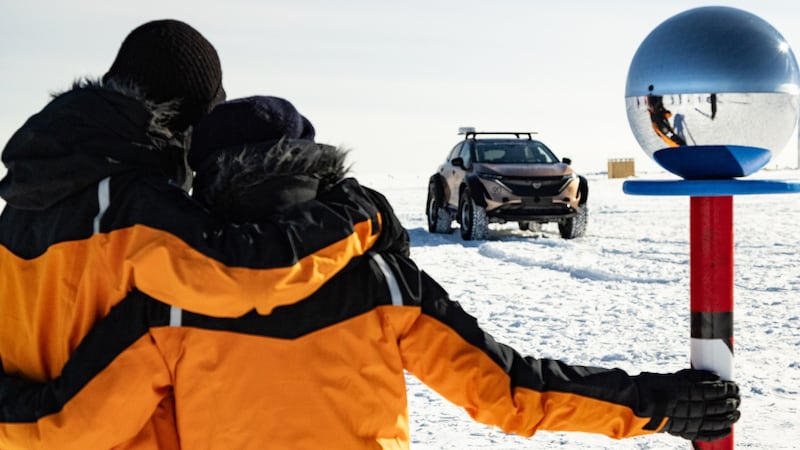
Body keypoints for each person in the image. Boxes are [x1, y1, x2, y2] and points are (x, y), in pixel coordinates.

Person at [0, 96, 740, 449]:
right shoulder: (383, 284)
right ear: (317, 169)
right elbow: (509, 394)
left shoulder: (169, 302)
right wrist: (654, 403)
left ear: (207, 182)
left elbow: (68, 427)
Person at [0, 21, 403, 449]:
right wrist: (357, 214)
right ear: (180, 120)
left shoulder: (23, 204)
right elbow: (248, 275)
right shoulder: (133, 205)